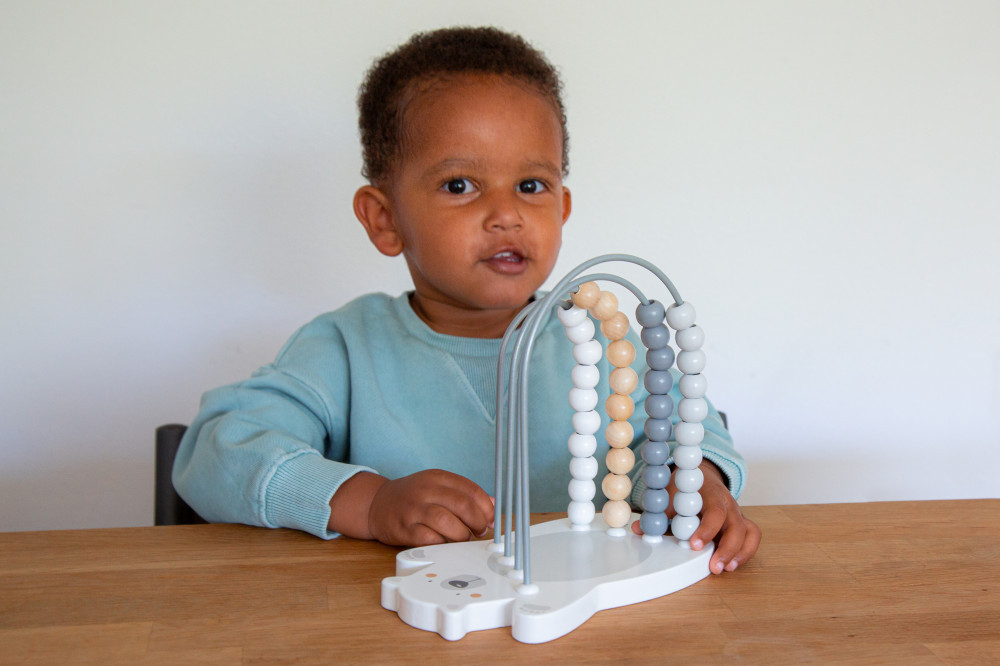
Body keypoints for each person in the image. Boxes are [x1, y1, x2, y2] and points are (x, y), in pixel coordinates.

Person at [174, 26, 761, 574]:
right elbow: (217, 452)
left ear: (561, 209)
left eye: (531, 186)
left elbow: (692, 430)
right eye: (460, 185)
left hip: (580, 619)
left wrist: (696, 481)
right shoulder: (346, 348)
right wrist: (370, 503)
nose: (506, 214)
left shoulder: (606, 340)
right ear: (384, 220)